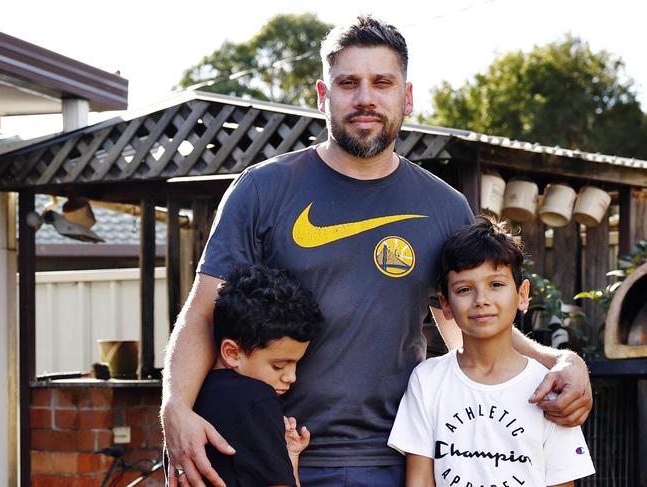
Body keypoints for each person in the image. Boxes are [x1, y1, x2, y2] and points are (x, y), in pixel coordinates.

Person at [161, 16, 593, 487]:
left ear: (406, 97)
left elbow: (472, 326)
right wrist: (175, 410)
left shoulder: (444, 206)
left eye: (382, 82)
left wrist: (564, 363)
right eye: (348, 83)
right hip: (273, 454)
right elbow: (204, 311)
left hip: (401, 458)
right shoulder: (263, 189)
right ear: (323, 97)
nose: (365, 97)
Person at [388, 217, 595, 486]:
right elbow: (419, 481)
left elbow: (561, 481)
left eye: (496, 284)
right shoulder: (427, 380)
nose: (481, 300)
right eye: (464, 289)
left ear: (522, 295)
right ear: (445, 304)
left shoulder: (549, 388)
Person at [175, 264, 323, 487]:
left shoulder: (192, 396)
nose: (291, 377)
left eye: (296, 365)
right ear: (232, 353)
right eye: (279, 366)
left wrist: (287, 454)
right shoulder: (255, 397)